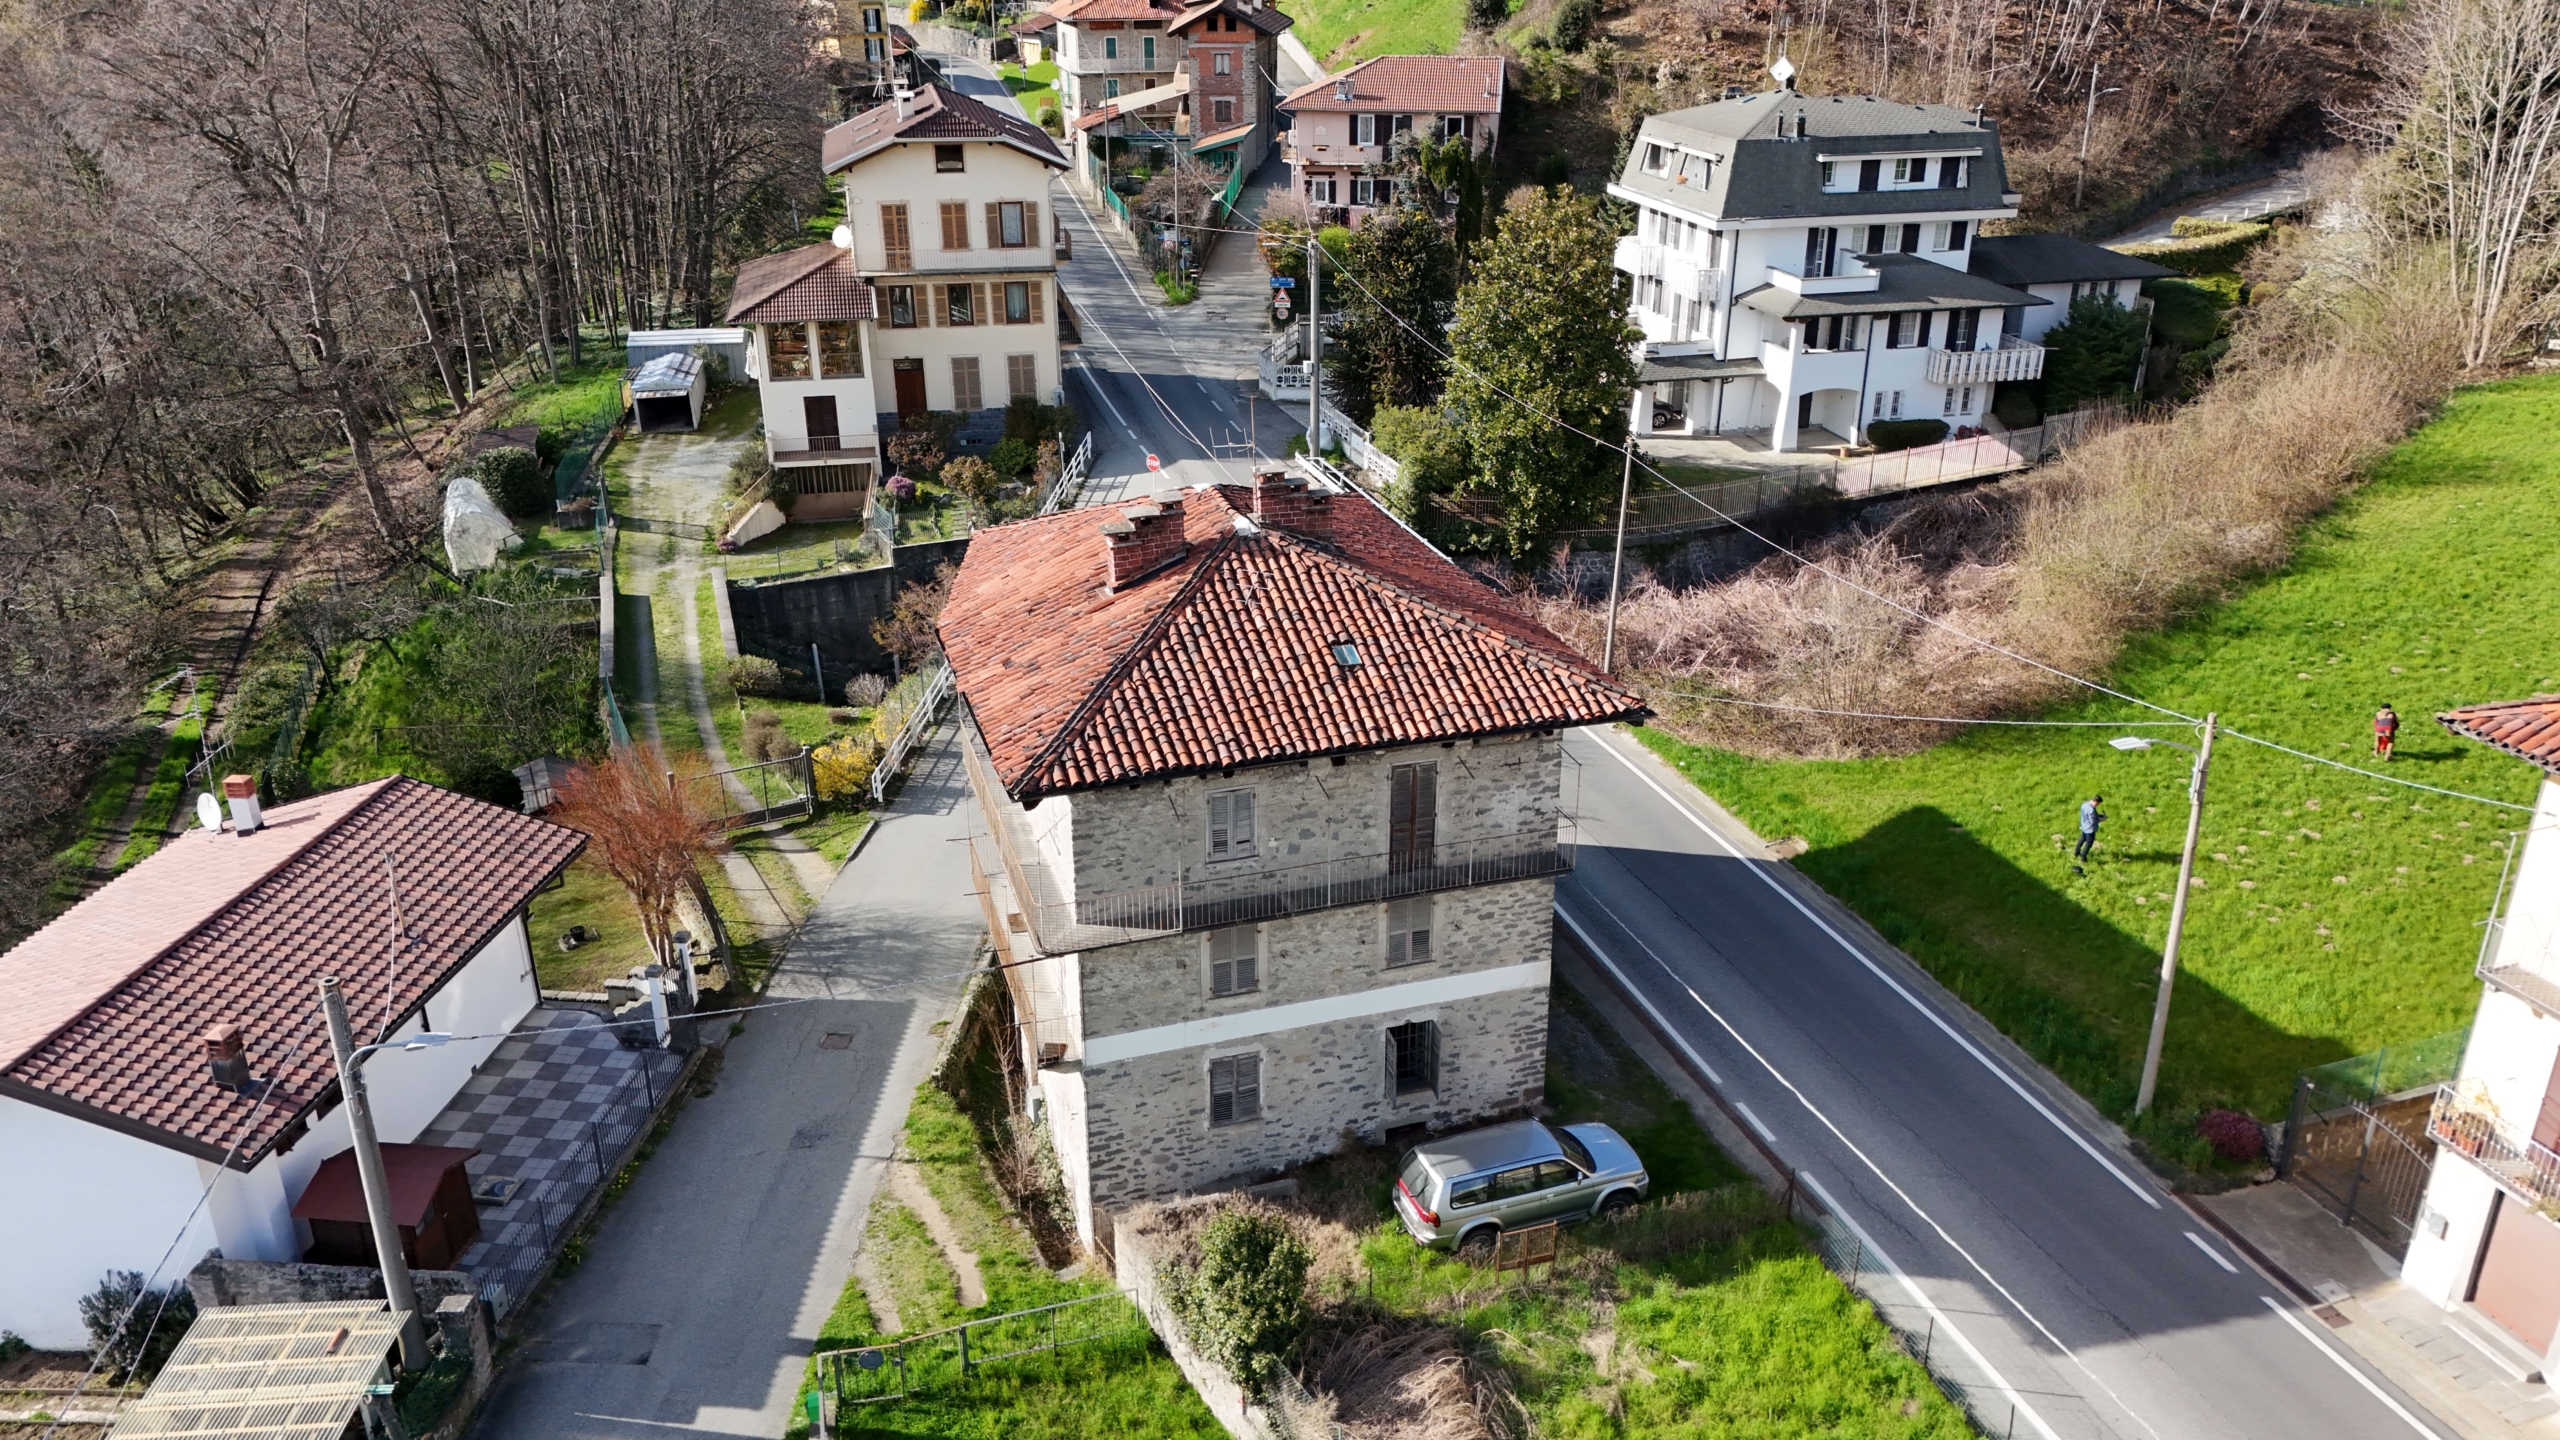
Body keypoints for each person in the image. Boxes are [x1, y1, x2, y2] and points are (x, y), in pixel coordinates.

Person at [2074, 794, 2104, 866]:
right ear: (2096, 802)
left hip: (2084, 826)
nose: (2097, 805)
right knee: (2088, 843)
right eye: (2098, 804)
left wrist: (2099, 815)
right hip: (2090, 829)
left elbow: (2091, 816)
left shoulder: (2084, 804)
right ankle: (2083, 856)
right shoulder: (2091, 809)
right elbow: (2093, 821)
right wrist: (2102, 819)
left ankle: (2076, 851)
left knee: (2082, 839)